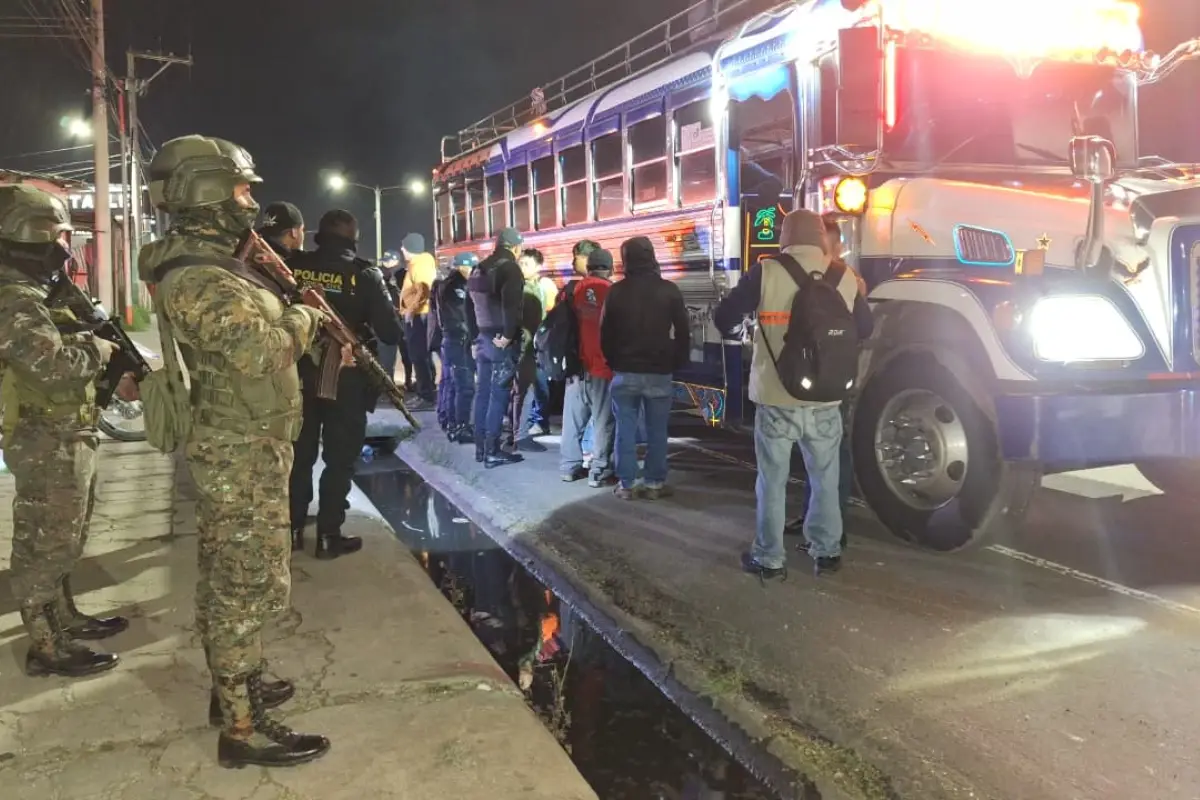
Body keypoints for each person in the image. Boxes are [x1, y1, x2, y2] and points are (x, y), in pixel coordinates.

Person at [138, 134, 330, 767]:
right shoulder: (197, 276)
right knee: (245, 586)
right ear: (207, 194)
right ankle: (242, 730)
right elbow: (260, 351)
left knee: (230, 579)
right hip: (236, 450)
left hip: (247, 444)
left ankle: (234, 689)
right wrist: (305, 319)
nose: (252, 201)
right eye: (243, 189)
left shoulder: (217, 262)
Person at [0, 184, 131, 679]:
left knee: (66, 536)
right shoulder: (14, 297)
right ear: (32, 235)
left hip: (66, 430)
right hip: (43, 435)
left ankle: (65, 619)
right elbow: (52, 367)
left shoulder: (37, 290)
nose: (65, 243)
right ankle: (45, 645)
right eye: (58, 234)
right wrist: (95, 349)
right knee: (44, 542)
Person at [713, 209, 873, 579]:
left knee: (773, 480)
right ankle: (827, 551)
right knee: (825, 477)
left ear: (785, 237)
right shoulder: (843, 274)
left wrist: (747, 329)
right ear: (820, 237)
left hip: (776, 396)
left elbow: (724, 318)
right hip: (826, 397)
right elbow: (866, 326)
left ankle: (769, 558)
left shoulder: (766, 271)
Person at [288, 209, 402, 559]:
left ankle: (291, 531)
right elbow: (389, 331)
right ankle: (327, 536)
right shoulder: (364, 274)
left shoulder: (293, 266)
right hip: (347, 379)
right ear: (353, 237)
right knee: (340, 459)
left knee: (299, 456)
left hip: (298, 375)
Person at [783, 213, 867, 544]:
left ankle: (833, 526)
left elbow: (865, 326)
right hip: (822, 376)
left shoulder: (846, 278)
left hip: (829, 378)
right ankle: (816, 520)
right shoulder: (839, 277)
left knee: (832, 460)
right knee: (819, 459)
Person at [599, 236, 690, 500]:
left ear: (625, 259)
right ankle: (654, 484)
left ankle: (627, 484)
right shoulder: (669, 290)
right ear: (651, 256)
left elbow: (605, 334)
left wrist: (613, 361)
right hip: (659, 370)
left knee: (625, 429)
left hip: (625, 371)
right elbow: (684, 332)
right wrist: (676, 361)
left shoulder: (616, 291)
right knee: (657, 430)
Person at [469, 227, 526, 468]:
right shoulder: (509, 268)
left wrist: (474, 337)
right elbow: (510, 305)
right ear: (515, 247)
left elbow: (467, 307)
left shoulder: (477, 268)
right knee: (499, 394)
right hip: (499, 340)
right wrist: (508, 335)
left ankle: (481, 448)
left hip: (481, 338)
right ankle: (493, 450)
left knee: (482, 393)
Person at [559, 248, 615, 486]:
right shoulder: (612, 291)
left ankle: (569, 468)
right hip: (602, 366)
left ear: (589, 267)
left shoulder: (571, 290)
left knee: (572, 420)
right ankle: (599, 470)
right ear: (610, 269)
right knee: (603, 421)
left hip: (575, 365)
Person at [506, 247, 556, 452]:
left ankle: (524, 428)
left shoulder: (541, 286)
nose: (522, 267)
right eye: (521, 263)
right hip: (524, 346)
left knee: (536, 388)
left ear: (538, 267)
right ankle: (519, 435)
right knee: (522, 391)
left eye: (526, 263)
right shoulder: (518, 287)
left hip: (538, 345)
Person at [437, 252, 478, 444]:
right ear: (463, 267)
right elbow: (462, 316)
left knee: (452, 384)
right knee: (465, 386)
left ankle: (451, 423)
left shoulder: (447, 284)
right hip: (458, 340)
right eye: (471, 268)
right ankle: (461, 427)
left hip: (452, 339)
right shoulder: (457, 286)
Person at [399, 233, 437, 407]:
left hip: (419, 315)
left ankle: (425, 395)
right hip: (421, 314)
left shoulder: (419, 264)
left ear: (411, 248)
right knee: (422, 355)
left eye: (404, 247)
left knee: (418, 355)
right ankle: (427, 391)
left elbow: (424, 289)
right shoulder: (419, 263)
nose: (401, 249)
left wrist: (410, 310)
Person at [377, 249, 412, 392]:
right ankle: (388, 386)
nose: (385, 266)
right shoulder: (381, 278)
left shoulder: (405, 275)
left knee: (408, 355)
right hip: (389, 321)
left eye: (387, 262)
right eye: (383, 263)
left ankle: (409, 381)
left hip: (404, 320)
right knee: (386, 357)